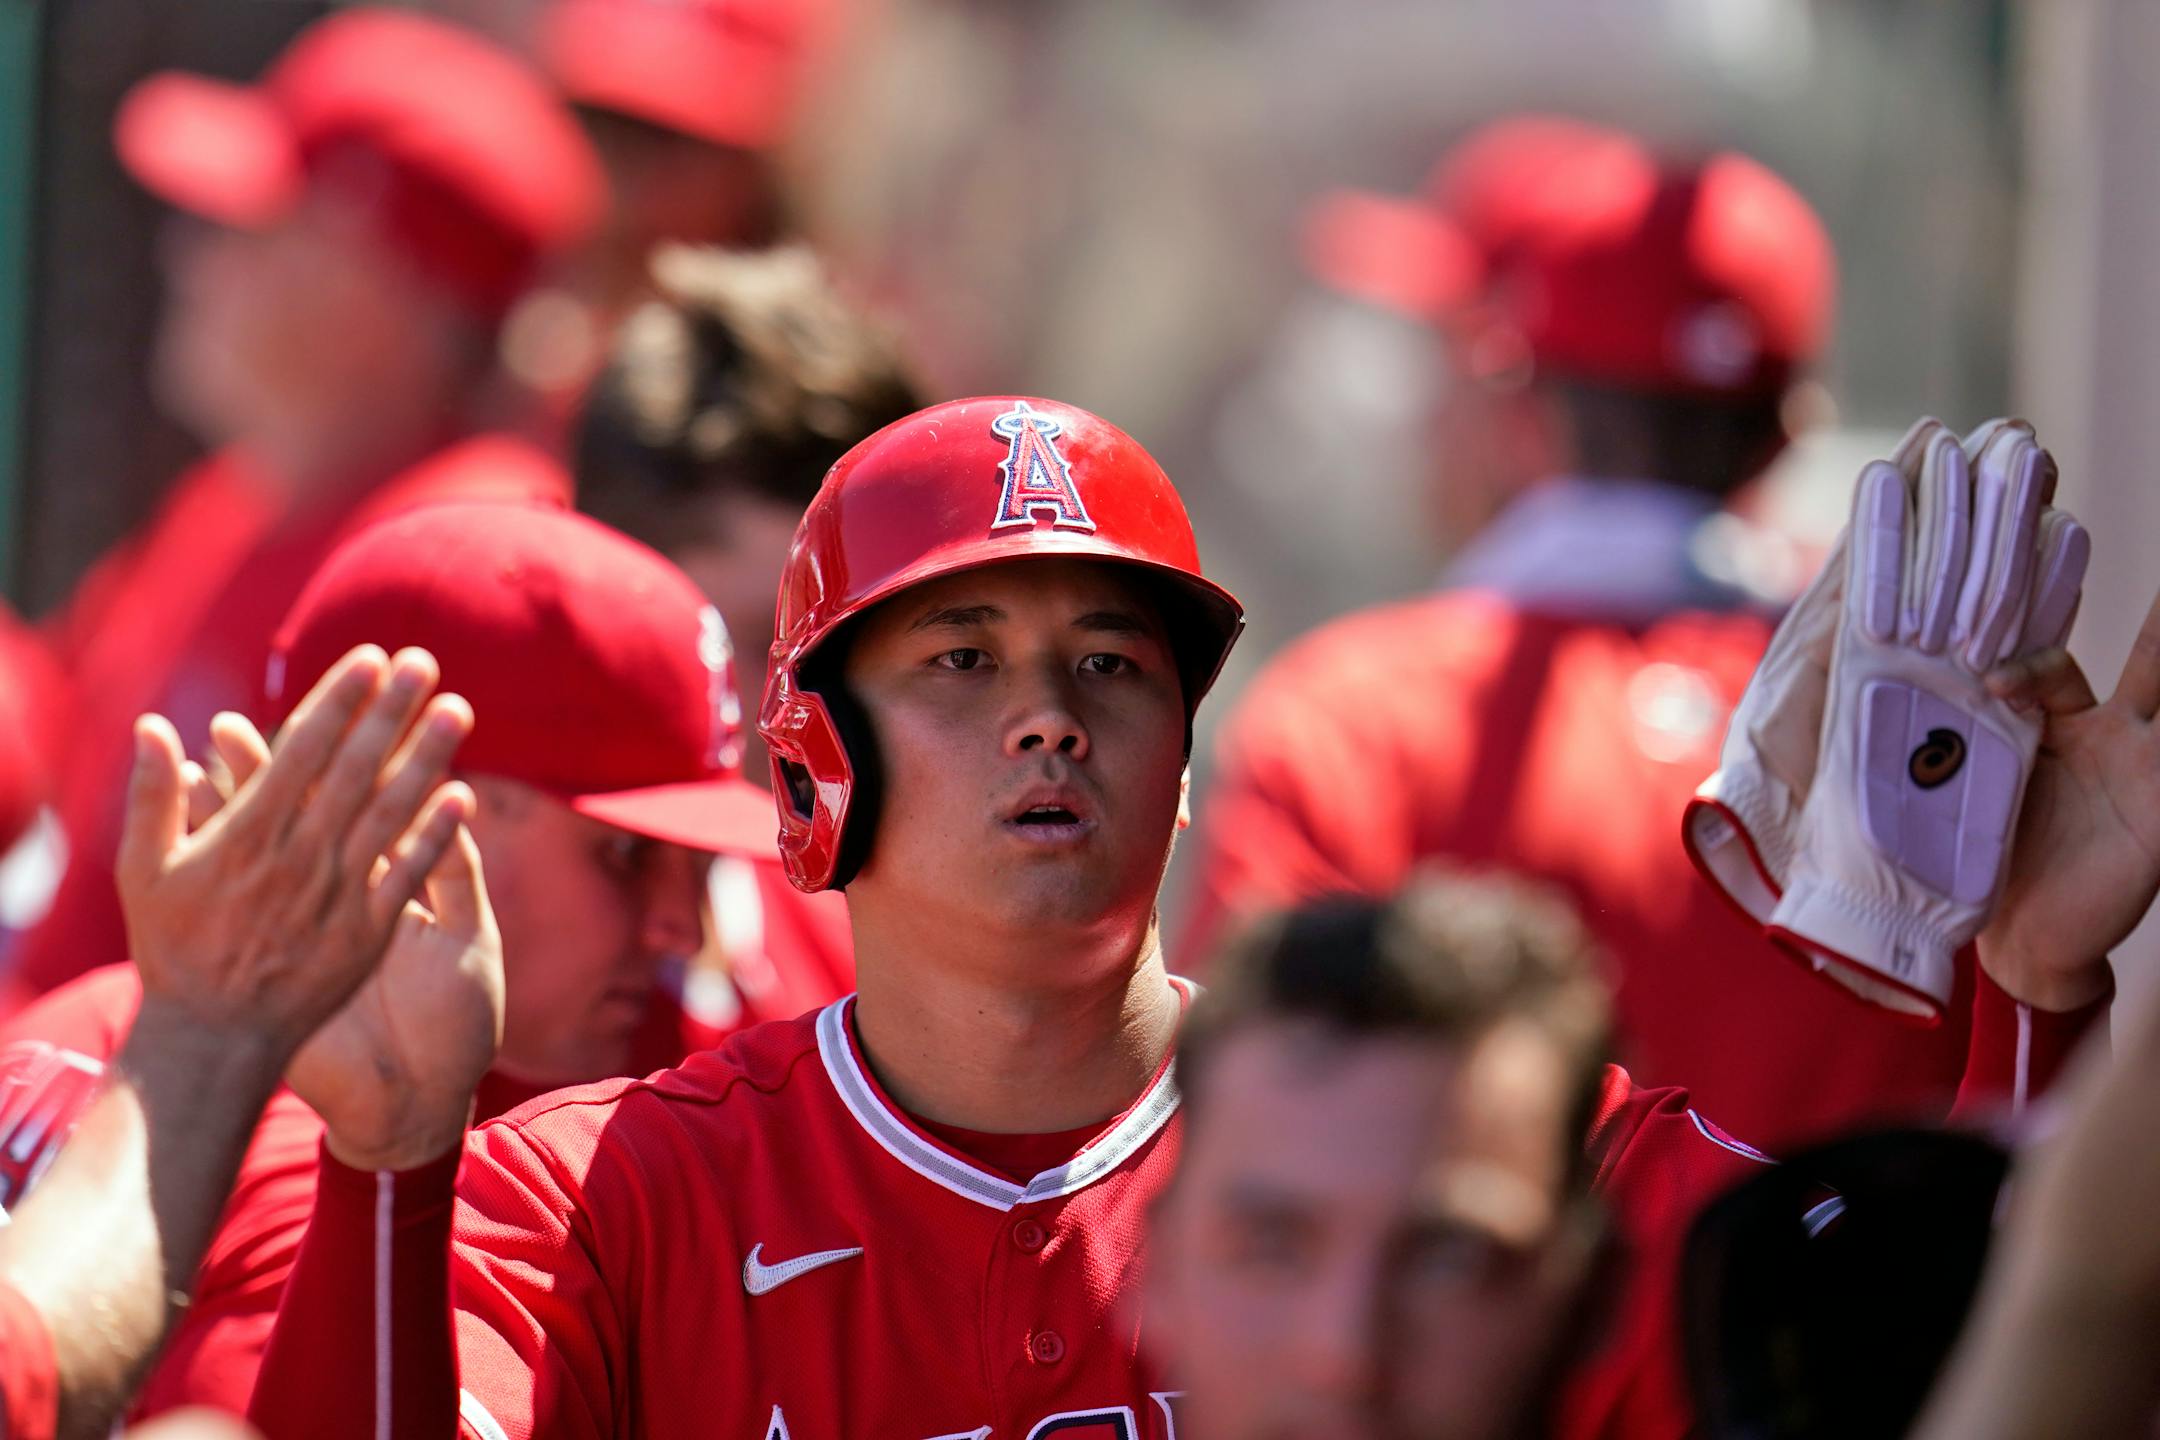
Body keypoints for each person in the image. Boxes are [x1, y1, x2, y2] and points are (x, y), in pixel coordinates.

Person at [237, 399, 2131, 1440]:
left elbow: (1978, 1384)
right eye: (961, 658)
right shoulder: (588, 1197)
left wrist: (2039, 994)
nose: (1051, 715)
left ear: (1183, 758)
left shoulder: (1440, 1179)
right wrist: (396, 1163)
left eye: (1113, 663)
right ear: (809, 765)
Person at [1183, 121, 2017, 1147]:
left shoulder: (1351, 720)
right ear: (1786, 432)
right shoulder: (1937, 730)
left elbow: (1240, 1142)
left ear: (1517, 409)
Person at [0, 501, 765, 1424]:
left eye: (702, 868)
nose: (680, 929)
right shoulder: (292, 1169)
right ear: (404, 811)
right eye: (627, 854)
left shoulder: (105, 1019)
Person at [4, 8, 605, 1013]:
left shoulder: (464, 566)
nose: (187, 259)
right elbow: (54, 731)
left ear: (389, 285)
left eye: (248, 227)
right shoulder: (247, 491)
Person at [0, 642, 480, 1440]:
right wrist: (212, 1027)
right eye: (622, 855)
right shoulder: (278, 1138)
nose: (672, 922)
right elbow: (30, 1370)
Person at [574, 243, 923, 1034]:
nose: (792, 710)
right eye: (739, 642)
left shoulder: (879, 980)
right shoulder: (483, 960)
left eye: (841, 645)